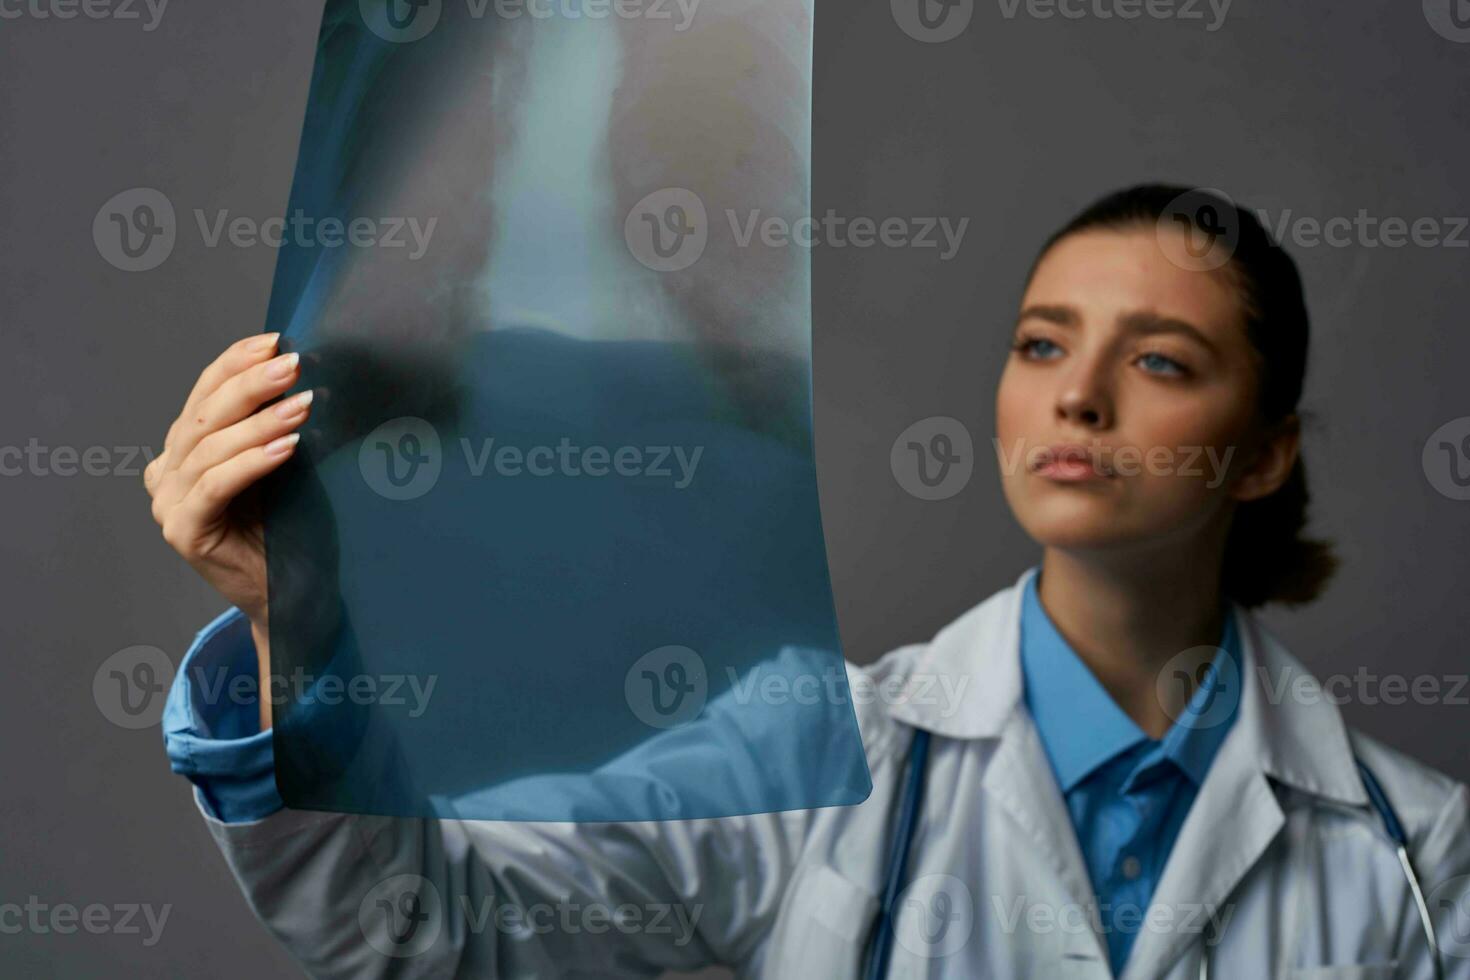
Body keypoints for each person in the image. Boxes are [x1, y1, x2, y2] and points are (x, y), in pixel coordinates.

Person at [146, 184, 1470, 978]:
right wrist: (301, 630)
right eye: (1039, 342)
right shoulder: (816, 747)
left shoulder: (1426, 858)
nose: (1074, 392)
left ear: (1263, 454)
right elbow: (436, 934)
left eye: (1160, 361)